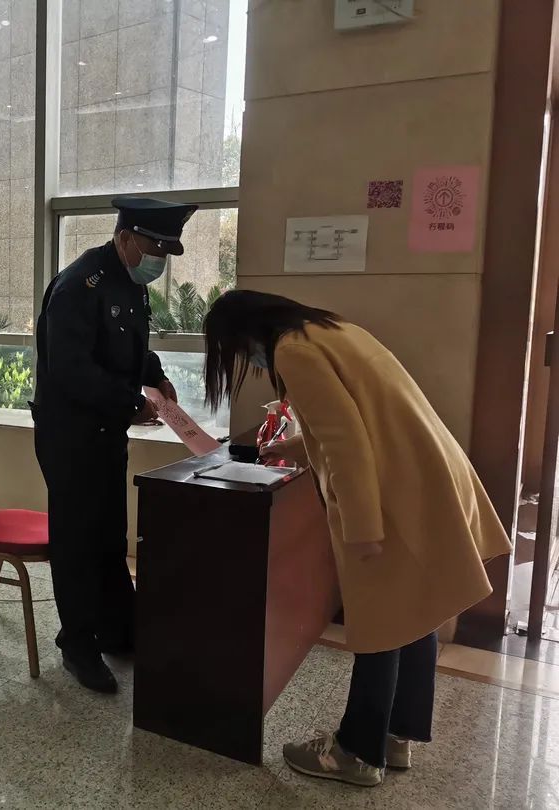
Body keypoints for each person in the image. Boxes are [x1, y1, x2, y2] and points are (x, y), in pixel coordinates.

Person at [202, 289, 512, 786]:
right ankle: (395, 735)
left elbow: (346, 442)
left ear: (246, 333)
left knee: (382, 623)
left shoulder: (293, 351)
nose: (249, 362)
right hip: (425, 480)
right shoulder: (332, 330)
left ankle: (358, 753)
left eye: (238, 351)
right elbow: (353, 421)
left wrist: (363, 528)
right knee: (416, 613)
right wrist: (292, 448)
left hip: (392, 499)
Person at [33, 195, 197, 693]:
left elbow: (132, 346)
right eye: (154, 249)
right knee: (77, 541)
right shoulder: (78, 285)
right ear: (125, 237)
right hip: (71, 436)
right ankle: (78, 644)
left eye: (165, 252)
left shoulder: (129, 282)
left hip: (106, 433)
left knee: (109, 535)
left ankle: (118, 629)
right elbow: (71, 369)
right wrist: (130, 402)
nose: (158, 260)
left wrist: (156, 377)